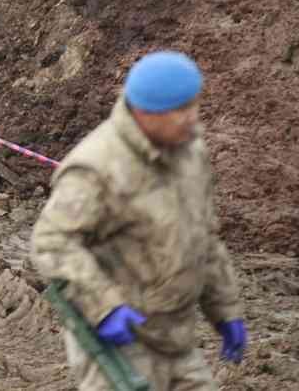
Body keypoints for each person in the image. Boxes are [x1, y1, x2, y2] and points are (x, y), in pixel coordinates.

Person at [32, 50, 246, 390]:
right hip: (120, 344)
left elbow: (203, 236)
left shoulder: (191, 154)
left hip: (176, 339)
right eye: (180, 110)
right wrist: (104, 306)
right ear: (145, 112)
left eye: (194, 105)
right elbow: (52, 243)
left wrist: (225, 310)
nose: (192, 118)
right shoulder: (97, 167)